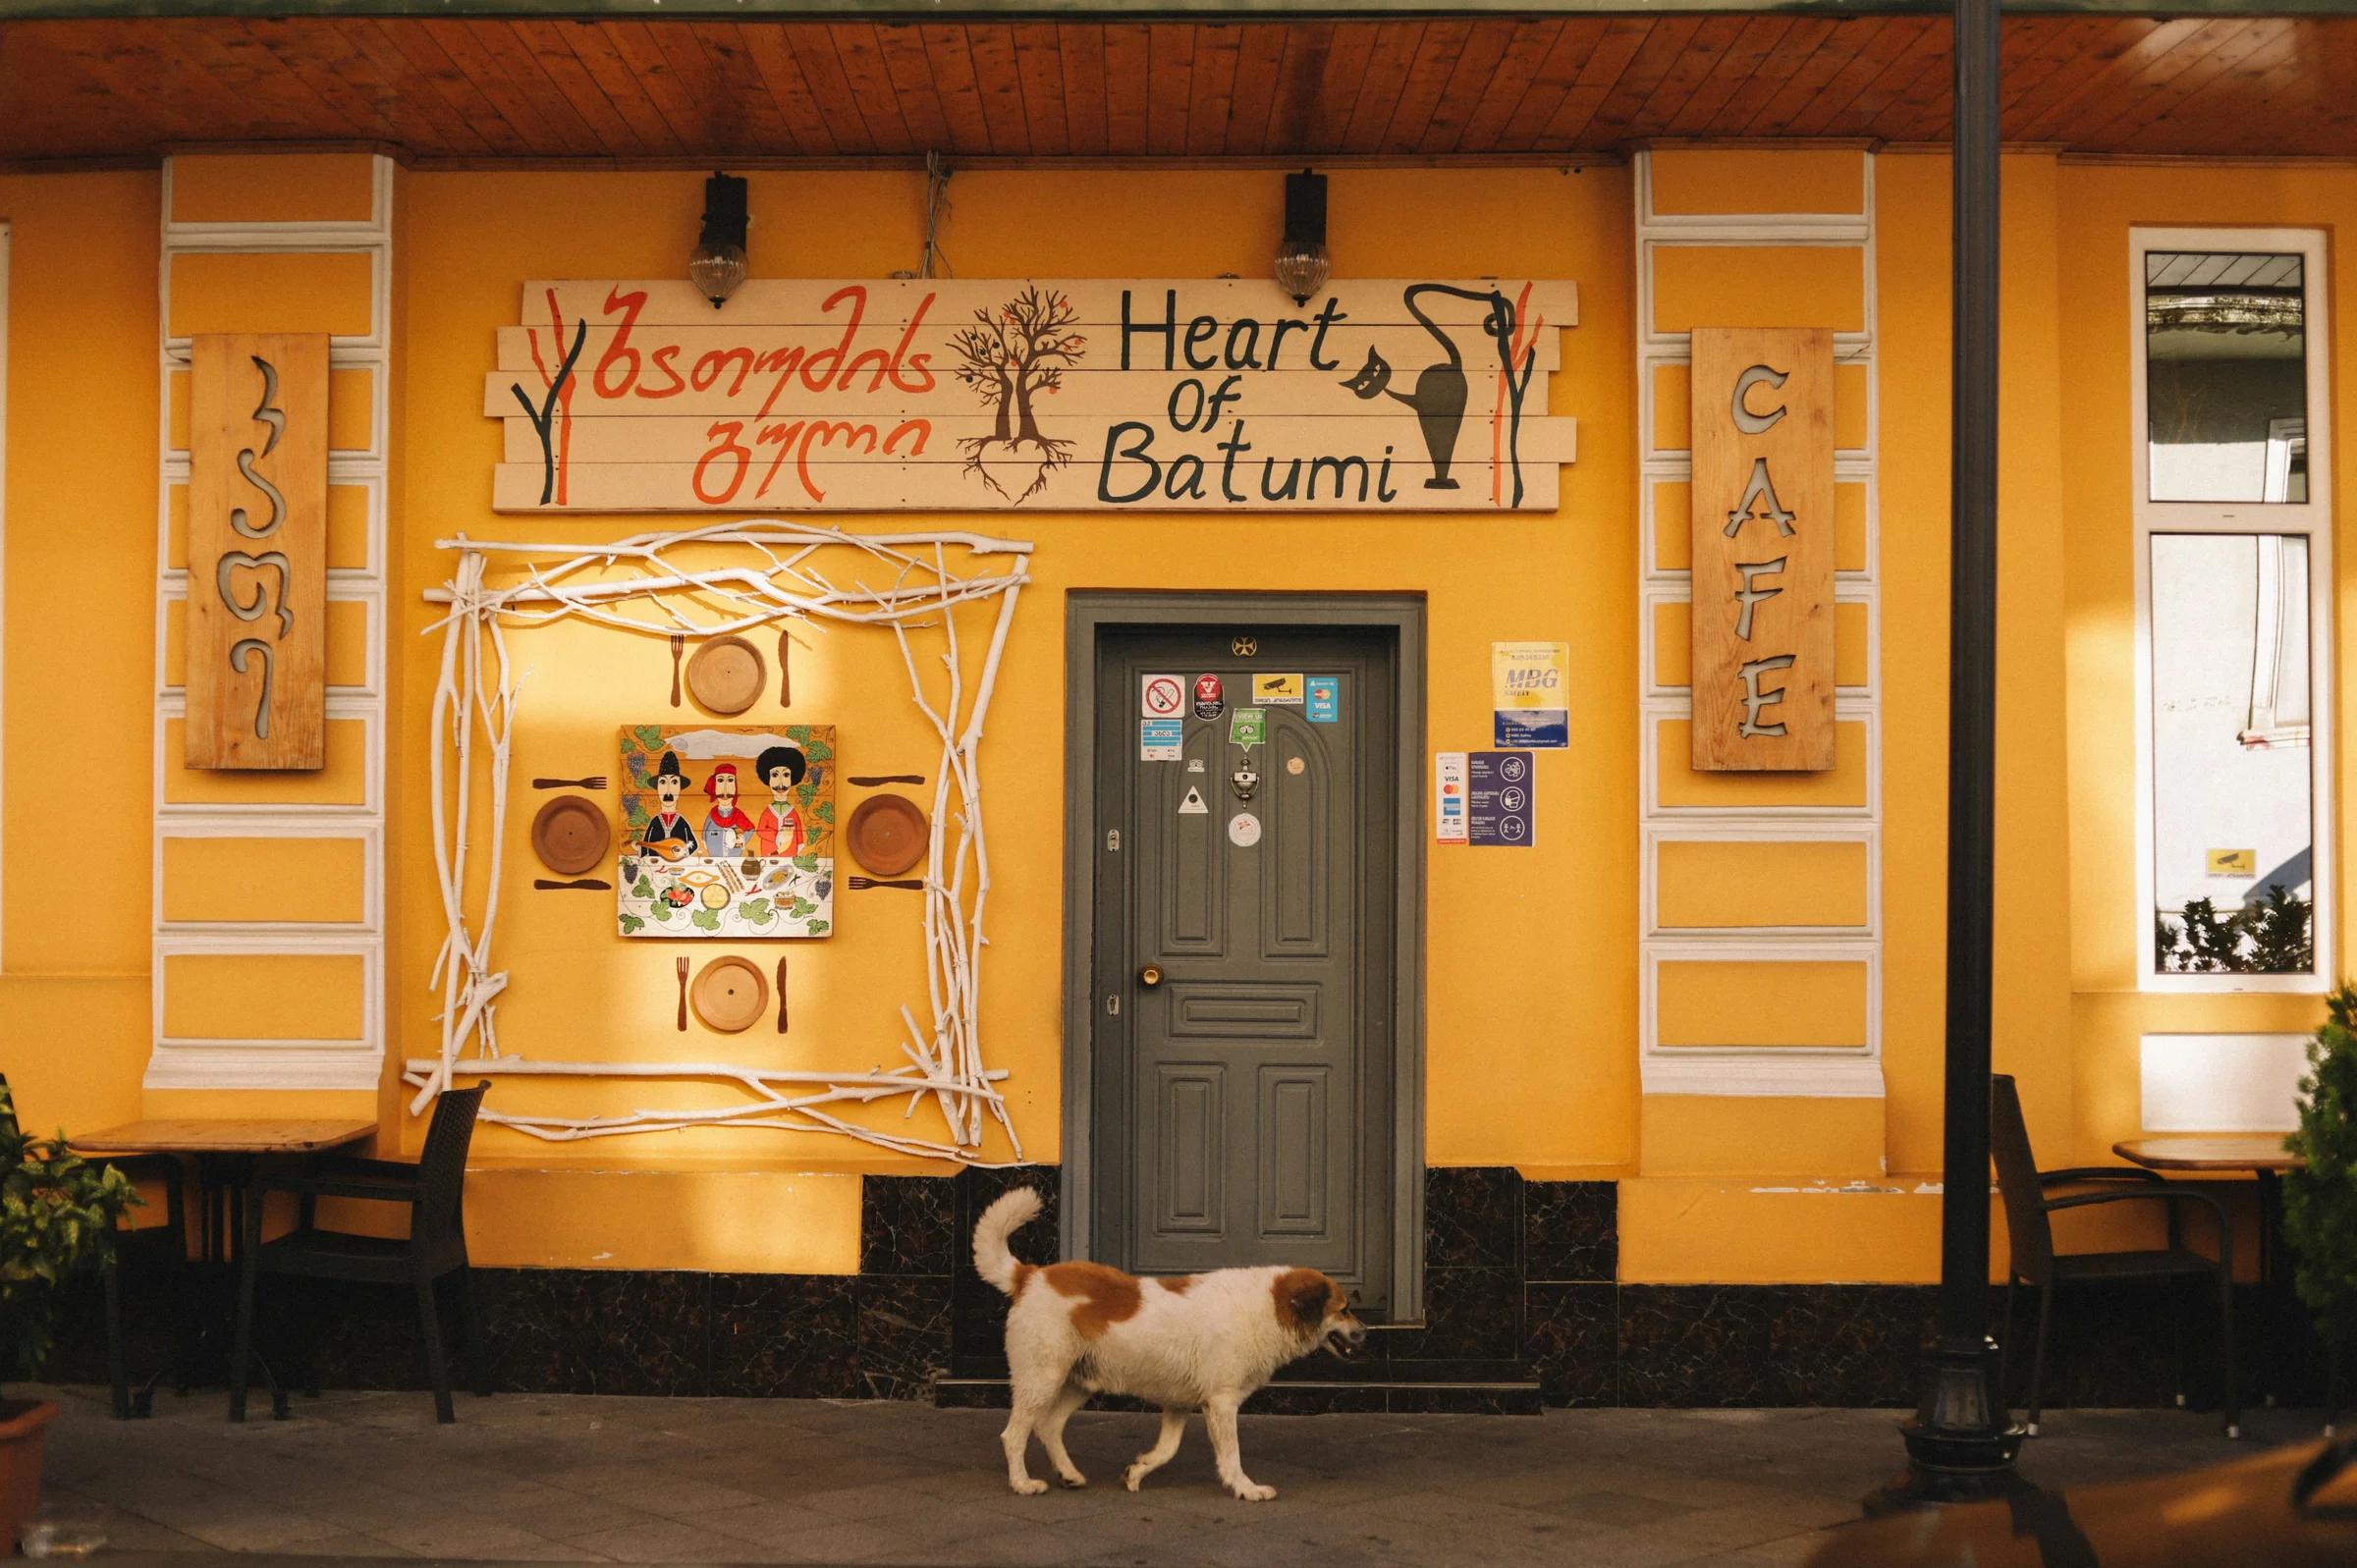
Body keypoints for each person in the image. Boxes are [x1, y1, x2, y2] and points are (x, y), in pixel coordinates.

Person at [639, 750, 698, 854]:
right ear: (657, 788)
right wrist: (639, 848)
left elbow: (693, 844)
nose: (668, 790)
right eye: (663, 782)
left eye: (674, 782)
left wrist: (684, 850)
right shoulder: (654, 823)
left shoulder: (682, 823)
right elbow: (645, 848)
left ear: (680, 787)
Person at [755, 742, 808, 858]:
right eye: (774, 775)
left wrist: (799, 844)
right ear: (768, 779)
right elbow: (760, 830)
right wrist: (776, 835)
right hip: (769, 853)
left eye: (786, 775)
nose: (780, 783)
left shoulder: (792, 812)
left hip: (790, 853)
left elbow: (799, 831)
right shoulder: (768, 812)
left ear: (792, 778)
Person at [702, 763, 757, 857]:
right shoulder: (712, 814)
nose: (725, 788)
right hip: (714, 859)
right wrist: (705, 841)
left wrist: (742, 838)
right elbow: (705, 831)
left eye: (730, 780)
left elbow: (750, 829)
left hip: (734, 859)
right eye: (720, 780)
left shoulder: (738, 814)